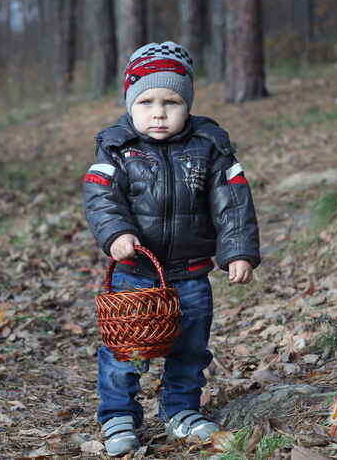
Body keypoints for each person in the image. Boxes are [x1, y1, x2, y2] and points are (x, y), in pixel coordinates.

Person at [83, 41, 261, 457]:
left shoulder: (209, 145)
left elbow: (233, 201)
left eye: (171, 101)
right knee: (125, 348)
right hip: (137, 271)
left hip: (192, 271)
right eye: (146, 101)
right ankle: (117, 414)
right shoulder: (116, 146)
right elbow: (100, 196)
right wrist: (116, 234)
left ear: (189, 104)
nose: (158, 112)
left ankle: (181, 410)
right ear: (130, 103)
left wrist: (237, 251)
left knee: (190, 347)